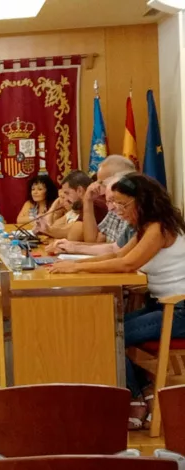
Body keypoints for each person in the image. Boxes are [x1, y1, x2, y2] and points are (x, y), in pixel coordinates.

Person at [47, 173, 185, 430]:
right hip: (161, 306)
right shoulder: (145, 227)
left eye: (123, 204)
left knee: (109, 334)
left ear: (141, 200)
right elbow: (119, 254)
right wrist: (72, 263)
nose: (118, 210)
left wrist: (77, 268)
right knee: (105, 329)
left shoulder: (158, 228)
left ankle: (134, 397)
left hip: (177, 311)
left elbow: (128, 264)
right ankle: (145, 391)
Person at [47, 174, 135, 256]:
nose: (94, 186)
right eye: (108, 201)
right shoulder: (114, 211)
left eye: (100, 182)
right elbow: (110, 247)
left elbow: (122, 257)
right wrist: (70, 246)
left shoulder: (98, 204)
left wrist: (75, 263)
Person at [35, 170, 107, 240]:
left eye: (67, 193)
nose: (65, 199)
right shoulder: (85, 204)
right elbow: (68, 231)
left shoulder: (94, 203)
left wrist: (48, 230)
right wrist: (47, 230)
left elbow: (73, 235)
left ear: (80, 190)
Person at [82, 155, 136, 244]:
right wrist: (88, 201)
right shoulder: (113, 206)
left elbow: (118, 250)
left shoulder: (134, 211)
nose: (95, 186)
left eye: (101, 182)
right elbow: (92, 240)